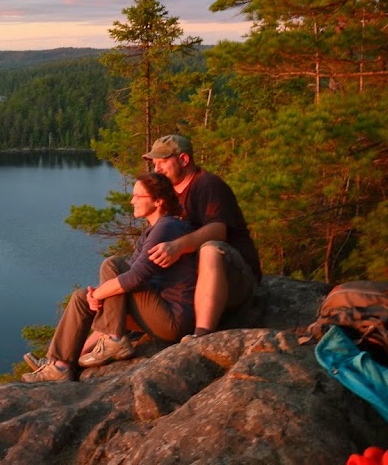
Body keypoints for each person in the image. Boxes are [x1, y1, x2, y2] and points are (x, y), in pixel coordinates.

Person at [21, 172, 197, 382]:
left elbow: (135, 278)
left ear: (158, 201)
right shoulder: (151, 231)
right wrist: (95, 297)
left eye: (138, 197)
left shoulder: (167, 227)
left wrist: (97, 294)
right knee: (80, 298)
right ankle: (60, 364)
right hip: (155, 311)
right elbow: (131, 276)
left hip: (171, 318)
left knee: (112, 264)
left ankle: (114, 339)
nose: (132, 201)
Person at [144, 134, 262, 339]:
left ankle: (202, 335)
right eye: (155, 163)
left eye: (163, 162)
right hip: (194, 284)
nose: (157, 169)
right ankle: (103, 342)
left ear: (184, 160)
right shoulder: (169, 196)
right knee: (124, 269)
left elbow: (218, 230)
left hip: (236, 278)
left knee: (210, 250)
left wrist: (177, 246)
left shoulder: (207, 184)